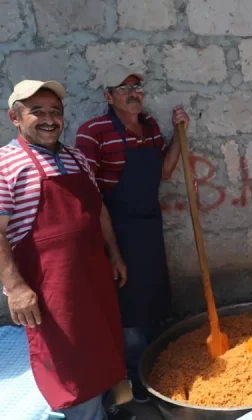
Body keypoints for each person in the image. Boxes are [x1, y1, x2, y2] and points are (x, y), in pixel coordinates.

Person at [1, 80, 127, 419]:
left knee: (102, 345)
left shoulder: (76, 157)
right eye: (36, 112)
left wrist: (113, 254)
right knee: (68, 361)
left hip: (93, 274)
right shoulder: (5, 164)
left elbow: (97, 208)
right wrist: (15, 288)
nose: (48, 119)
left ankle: (107, 407)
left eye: (55, 112)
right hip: (49, 287)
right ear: (15, 117)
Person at [75, 64, 190, 403]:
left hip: (150, 227)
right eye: (123, 89)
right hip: (117, 228)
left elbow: (166, 171)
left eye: (137, 87)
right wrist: (111, 250)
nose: (133, 93)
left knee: (153, 299)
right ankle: (136, 383)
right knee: (129, 308)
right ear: (108, 96)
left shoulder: (151, 126)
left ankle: (156, 373)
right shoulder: (92, 132)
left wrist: (180, 133)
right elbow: (88, 196)